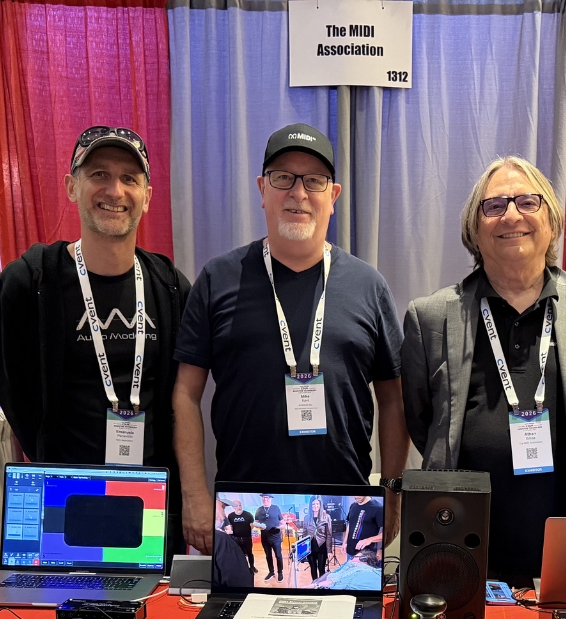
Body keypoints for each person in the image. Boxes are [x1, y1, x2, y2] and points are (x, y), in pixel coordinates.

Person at [172, 124, 408, 555]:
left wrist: (392, 492)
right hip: (243, 508)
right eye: (283, 177)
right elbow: (185, 395)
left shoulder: (367, 285)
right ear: (263, 189)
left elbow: (394, 398)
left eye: (314, 180)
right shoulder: (218, 279)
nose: (298, 192)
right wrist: (194, 496)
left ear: (332, 196)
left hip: (342, 510)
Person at [399, 156, 566, 586]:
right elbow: (423, 422)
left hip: (565, 545)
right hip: (460, 551)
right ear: (474, 228)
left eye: (527, 202)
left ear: (552, 220)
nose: (511, 216)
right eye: (494, 206)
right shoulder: (429, 317)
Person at [0, 126, 193, 553]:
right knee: (58, 617)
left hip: (151, 501)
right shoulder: (29, 283)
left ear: (148, 194)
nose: (114, 190)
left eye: (129, 178)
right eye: (98, 174)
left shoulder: (170, 287)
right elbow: (14, 391)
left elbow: (181, 399)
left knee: (152, 618)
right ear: (71, 186)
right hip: (63, 496)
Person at [253, 494, 285, 583]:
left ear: (270, 499)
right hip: (264, 538)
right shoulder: (258, 510)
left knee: (278, 556)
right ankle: (271, 572)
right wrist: (259, 526)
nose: (265, 499)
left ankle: (280, 572)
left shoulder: (276, 508)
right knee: (268, 556)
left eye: (267, 498)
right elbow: (256, 523)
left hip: (276, 538)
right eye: (263, 498)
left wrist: (278, 527)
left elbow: (283, 524)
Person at [342, 493, 382, 561]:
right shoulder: (353, 506)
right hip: (350, 551)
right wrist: (344, 542)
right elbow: (350, 525)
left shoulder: (378, 508)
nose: (356, 496)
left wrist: (369, 540)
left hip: (366, 554)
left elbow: (386, 533)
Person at [222, 499, 257, 574]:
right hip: (236, 539)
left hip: (247, 538)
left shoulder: (248, 514)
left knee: (250, 553)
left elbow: (252, 526)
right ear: (233, 507)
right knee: (240, 554)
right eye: (237, 505)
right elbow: (230, 527)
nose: (239, 507)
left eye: (240, 505)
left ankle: (252, 567)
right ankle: (243, 568)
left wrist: (245, 530)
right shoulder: (231, 516)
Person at [304, 496, 334, 582]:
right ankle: (314, 584)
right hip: (310, 547)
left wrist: (329, 551)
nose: (315, 506)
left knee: (321, 568)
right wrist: (303, 550)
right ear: (310, 505)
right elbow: (304, 534)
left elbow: (329, 534)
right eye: (313, 504)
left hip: (322, 546)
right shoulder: (307, 517)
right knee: (313, 568)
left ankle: (321, 586)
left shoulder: (326, 517)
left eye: (317, 504)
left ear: (320, 504)